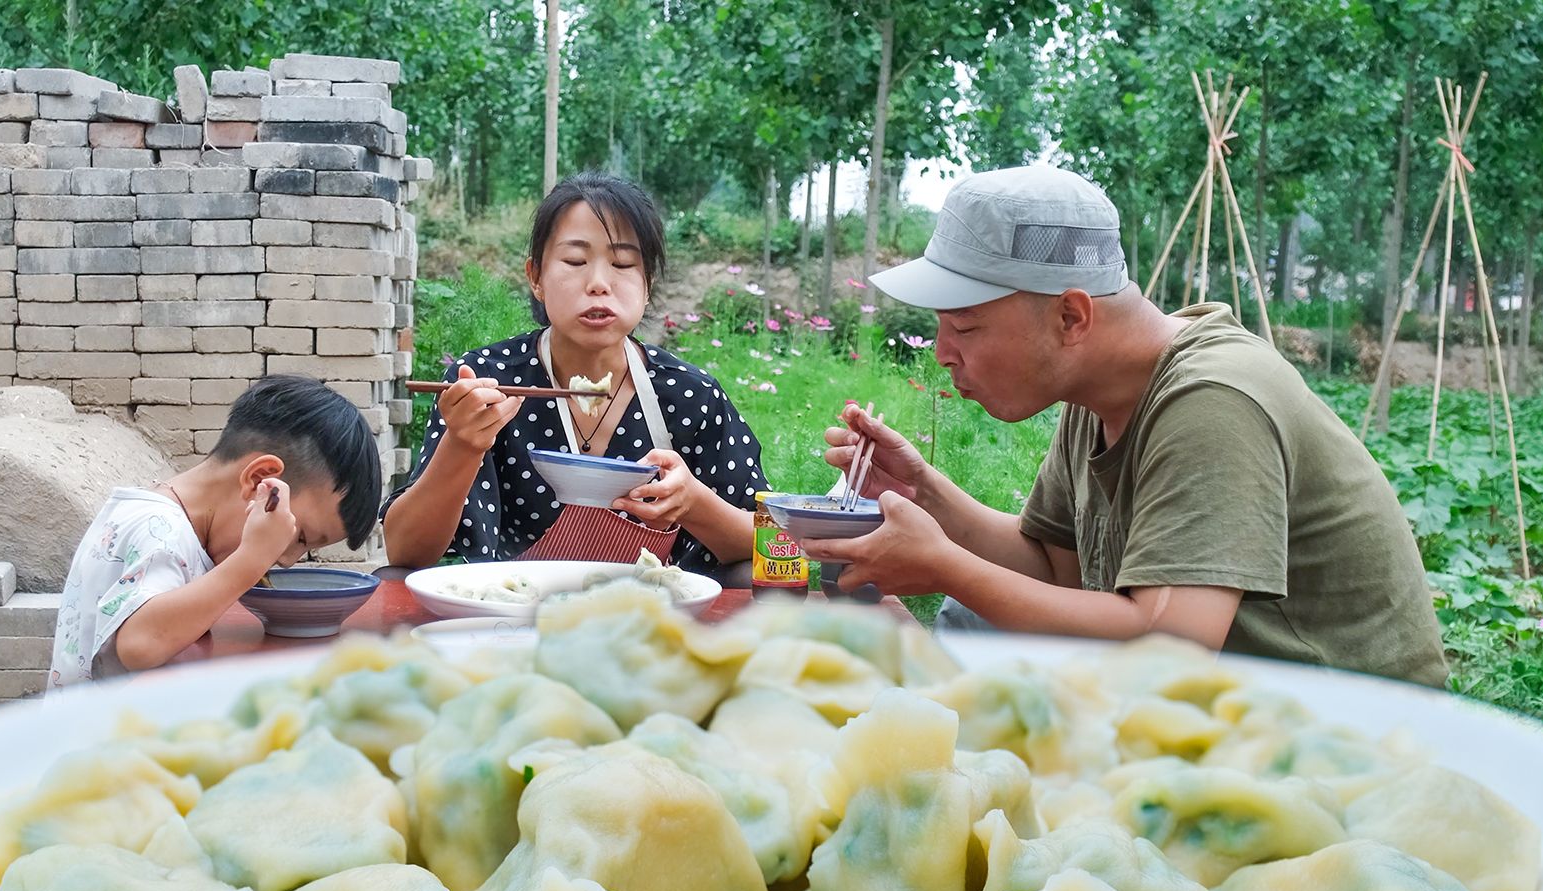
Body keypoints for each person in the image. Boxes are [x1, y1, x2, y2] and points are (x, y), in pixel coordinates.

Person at [806, 164, 1449, 687]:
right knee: (974, 620)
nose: (943, 351)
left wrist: (945, 566)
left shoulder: (1214, 400)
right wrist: (923, 493)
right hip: (1227, 715)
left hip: (1351, 746)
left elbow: (1170, 643)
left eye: (966, 325)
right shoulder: (1095, 395)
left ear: (1072, 318)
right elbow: (1054, 572)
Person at [380, 171, 767, 576]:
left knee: (751, 579)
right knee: (393, 582)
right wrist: (462, 444)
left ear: (647, 283)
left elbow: (769, 543)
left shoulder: (690, 395)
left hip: (655, 617)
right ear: (536, 277)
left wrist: (693, 502)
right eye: (575, 261)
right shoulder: (483, 382)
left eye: (622, 263)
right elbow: (406, 551)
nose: (599, 283)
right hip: (511, 611)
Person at [47, 376, 381, 689]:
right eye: (299, 536)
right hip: (100, 744)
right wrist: (252, 557)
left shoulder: (160, 516)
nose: (287, 560)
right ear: (258, 480)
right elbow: (140, 645)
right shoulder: (161, 532)